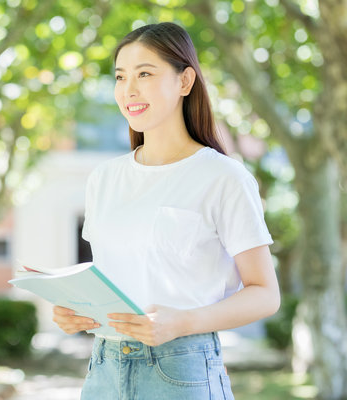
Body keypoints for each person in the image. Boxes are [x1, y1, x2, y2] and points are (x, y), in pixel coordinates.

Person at [52, 22, 280, 399]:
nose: (129, 90)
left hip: (182, 370)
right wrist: (79, 311)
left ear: (185, 81)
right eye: (121, 77)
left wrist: (184, 322)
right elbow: (119, 277)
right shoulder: (104, 178)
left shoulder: (223, 177)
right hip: (104, 369)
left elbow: (265, 293)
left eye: (145, 74)